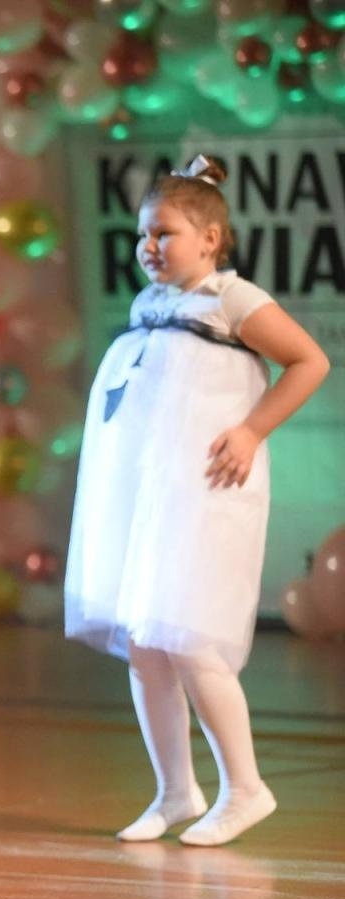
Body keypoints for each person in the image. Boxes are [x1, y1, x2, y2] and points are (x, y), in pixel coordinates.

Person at [65, 155, 330, 847]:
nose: (149, 246)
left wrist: (250, 430)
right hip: (153, 497)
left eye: (165, 233)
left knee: (189, 636)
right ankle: (176, 790)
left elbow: (310, 362)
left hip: (205, 493)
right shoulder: (150, 306)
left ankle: (246, 789)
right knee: (146, 644)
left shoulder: (232, 299)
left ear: (210, 239)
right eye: (142, 235)